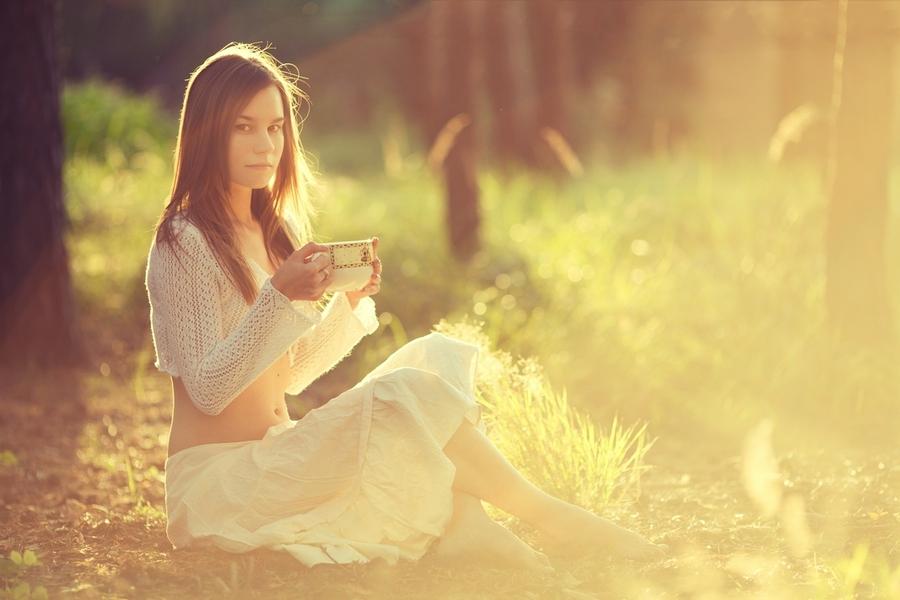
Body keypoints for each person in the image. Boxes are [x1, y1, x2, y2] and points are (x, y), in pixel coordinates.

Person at [144, 42, 664, 570]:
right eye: (244, 127)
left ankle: (468, 525)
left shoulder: (276, 231)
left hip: (279, 457)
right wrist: (280, 297)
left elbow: (289, 377)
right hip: (220, 488)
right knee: (403, 393)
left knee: (432, 358)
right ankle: (554, 518)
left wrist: (344, 306)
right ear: (208, 130)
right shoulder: (182, 242)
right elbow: (208, 392)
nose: (265, 143)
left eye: (276, 127)